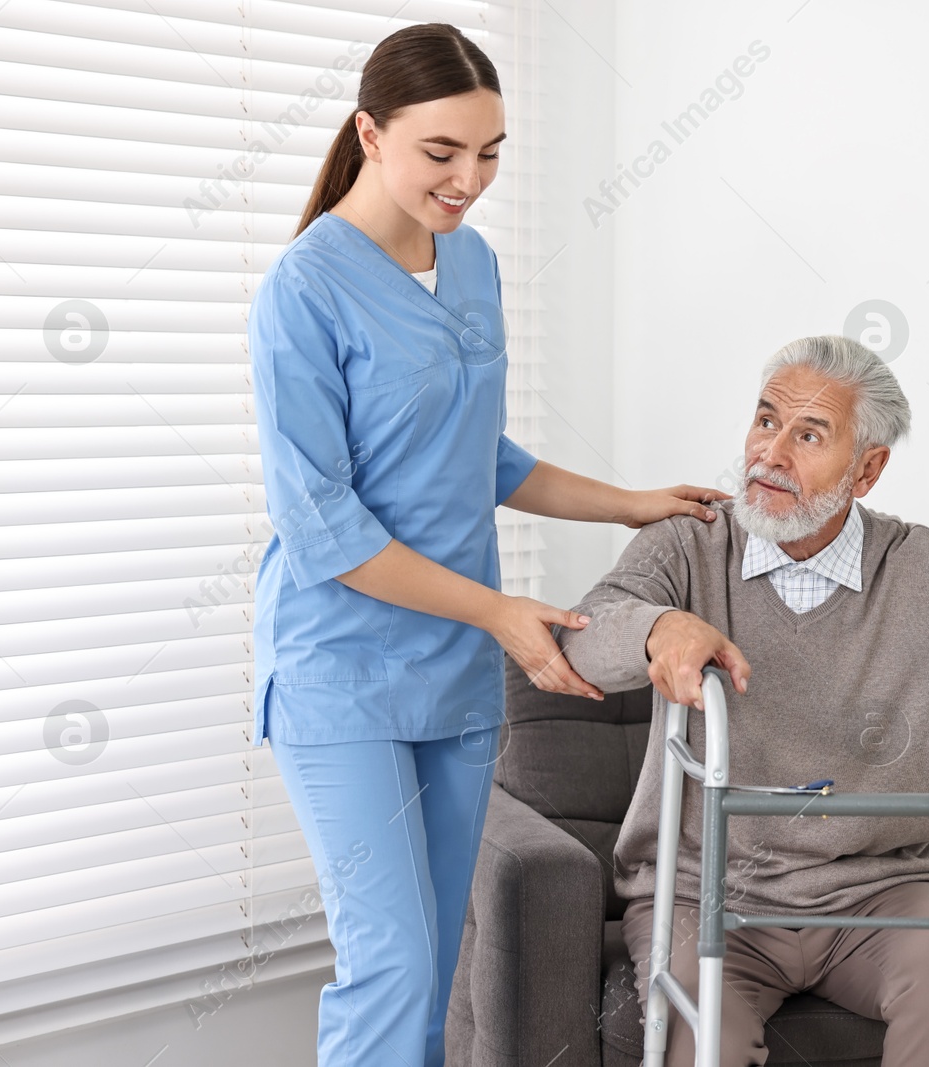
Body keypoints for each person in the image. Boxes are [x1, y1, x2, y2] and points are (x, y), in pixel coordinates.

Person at [248, 24, 723, 1067]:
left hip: (452, 673)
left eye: (492, 151)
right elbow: (325, 526)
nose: (471, 179)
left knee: (434, 974)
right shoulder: (304, 289)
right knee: (391, 967)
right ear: (369, 135)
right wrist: (503, 611)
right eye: (443, 152)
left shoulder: (472, 266)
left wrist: (631, 503)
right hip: (341, 672)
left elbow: (479, 454)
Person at [554, 334, 929, 1067]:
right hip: (702, 888)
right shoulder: (688, 543)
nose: (771, 453)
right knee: (695, 1026)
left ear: (868, 469)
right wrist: (658, 628)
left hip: (885, 889)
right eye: (766, 419)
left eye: (809, 435)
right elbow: (585, 640)